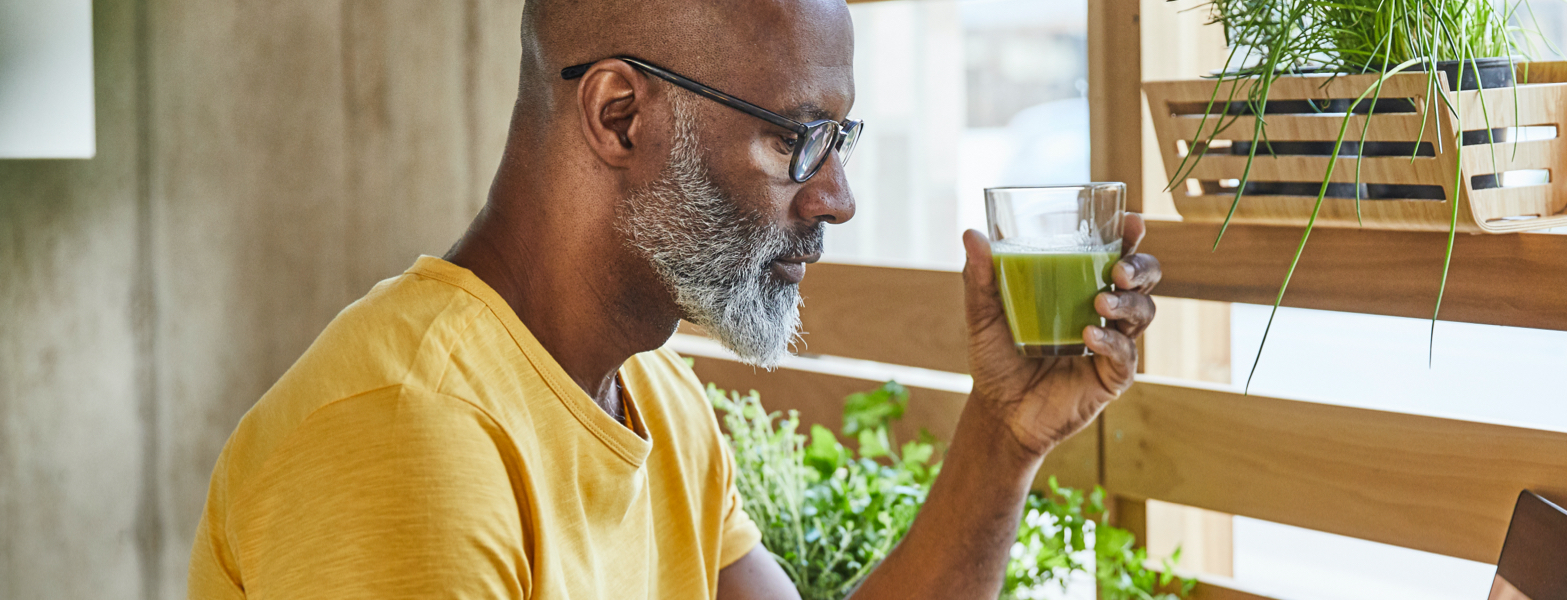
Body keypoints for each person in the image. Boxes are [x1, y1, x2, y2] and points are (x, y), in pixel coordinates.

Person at [185, 0, 1161, 597]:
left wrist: (1005, 434)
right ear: (620, 115)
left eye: (841, 141)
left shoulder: (657, 397)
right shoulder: (407, 439)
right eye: (797, 139)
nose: (838, 198)